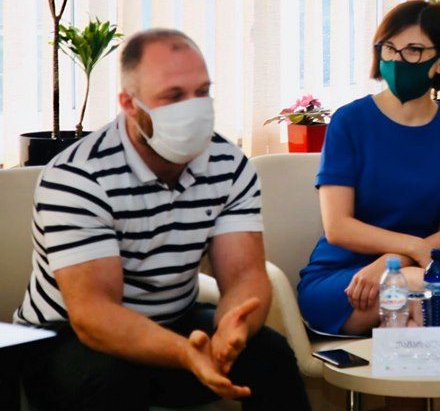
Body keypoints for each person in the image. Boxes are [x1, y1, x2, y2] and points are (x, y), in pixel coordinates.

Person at [15, 29, 310, 411]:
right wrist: (185, 354)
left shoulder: (228, 164)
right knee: (116, 380)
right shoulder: (78, 175)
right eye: (173, 96)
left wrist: (233, 329)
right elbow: (93, 314)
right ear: (129, 103)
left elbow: (244, 275)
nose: (193, 107)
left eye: (202, 92)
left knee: (270, 354)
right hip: (64, 338)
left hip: (173, 321)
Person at [298, 0, 440, 335]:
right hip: (342, 281)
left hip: (409, 272)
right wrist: (413, 251)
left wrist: (391, 264)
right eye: (389, 48)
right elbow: (338, 227)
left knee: (415, 312)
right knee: (427, 289)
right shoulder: (349, 122)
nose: (397, 60)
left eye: (413, 50)